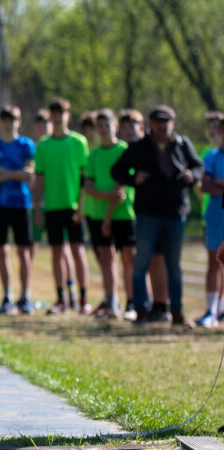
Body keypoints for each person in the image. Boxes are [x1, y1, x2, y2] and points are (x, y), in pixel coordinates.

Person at [111, 105, 203, 328]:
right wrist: (134, 178)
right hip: (147, 213)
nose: (162, 126)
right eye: (158, 121)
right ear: (150, 124)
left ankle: (177, 312)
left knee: (174, 266)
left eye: (166, 121)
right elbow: (117, 171)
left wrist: (192, 175)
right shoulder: (139, 147)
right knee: (141, 264)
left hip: (175, 213)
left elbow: (198, 166)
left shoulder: (182, 144)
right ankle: (141, 311)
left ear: (173, 123)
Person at [33, 98, 91, 314]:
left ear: (68, 116)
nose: (58, 118)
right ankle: (61, 299)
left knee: (78, 251)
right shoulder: (43, 145)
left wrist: (82, 206)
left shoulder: (79, 142)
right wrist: (37, 208)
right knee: (56, 252)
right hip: (52, 207)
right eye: (54, 114)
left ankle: (83, 299)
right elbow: (39, 180)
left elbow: (85, 179)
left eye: (61, 113)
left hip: (74, 206)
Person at [0, 106, 36, 315]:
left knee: (23, 251)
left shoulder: (27, 145)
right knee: (2, 250)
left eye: (12, 120)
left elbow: (28, 174)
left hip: (21, 203)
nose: (8, 124)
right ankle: (7, 296)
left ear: (19, 122)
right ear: (0, 122)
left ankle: (25, 296)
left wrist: (2, 172)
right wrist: (15, 174)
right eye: (5, 120)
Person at [83, 109, 134, 318]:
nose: (103, 130)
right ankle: (111, 302)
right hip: (98, 214)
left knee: (129, 258)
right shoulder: (93, 155)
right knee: (106, 257)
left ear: (115, 127)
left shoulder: (125, 150)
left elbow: (122, 187)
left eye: (107, 125)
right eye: (99, 126)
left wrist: (114, 199)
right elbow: (88, 187)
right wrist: (107, 195)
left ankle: (133, 303)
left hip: (124, 213)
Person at [117, 108, 152, 320]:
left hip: (143, 212)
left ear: (141, 127)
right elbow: (117, 175)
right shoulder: (125, 150)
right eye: (124, 127)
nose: (128, 131)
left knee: (143, 260)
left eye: (132, 126)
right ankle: (134, 301)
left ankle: (150, 302)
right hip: (129, 212)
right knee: (129, 259)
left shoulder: (150, 148)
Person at [198, 119, 224, 327]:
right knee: (215, 262)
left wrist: (219, 183)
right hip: (215, 215)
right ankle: (210, 310)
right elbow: (205, 186)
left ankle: (222, 308)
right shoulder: (211, 156)